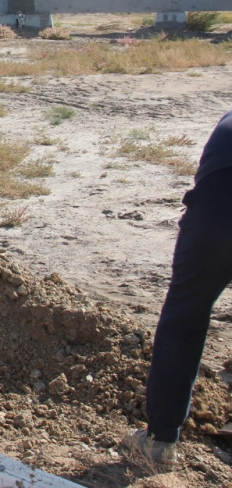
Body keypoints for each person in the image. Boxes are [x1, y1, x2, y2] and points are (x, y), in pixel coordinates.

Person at [123, 109, 232, 470]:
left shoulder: (227, 120)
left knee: (184, 318)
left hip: (215, 214)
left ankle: (159, 442)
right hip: (218, 201)